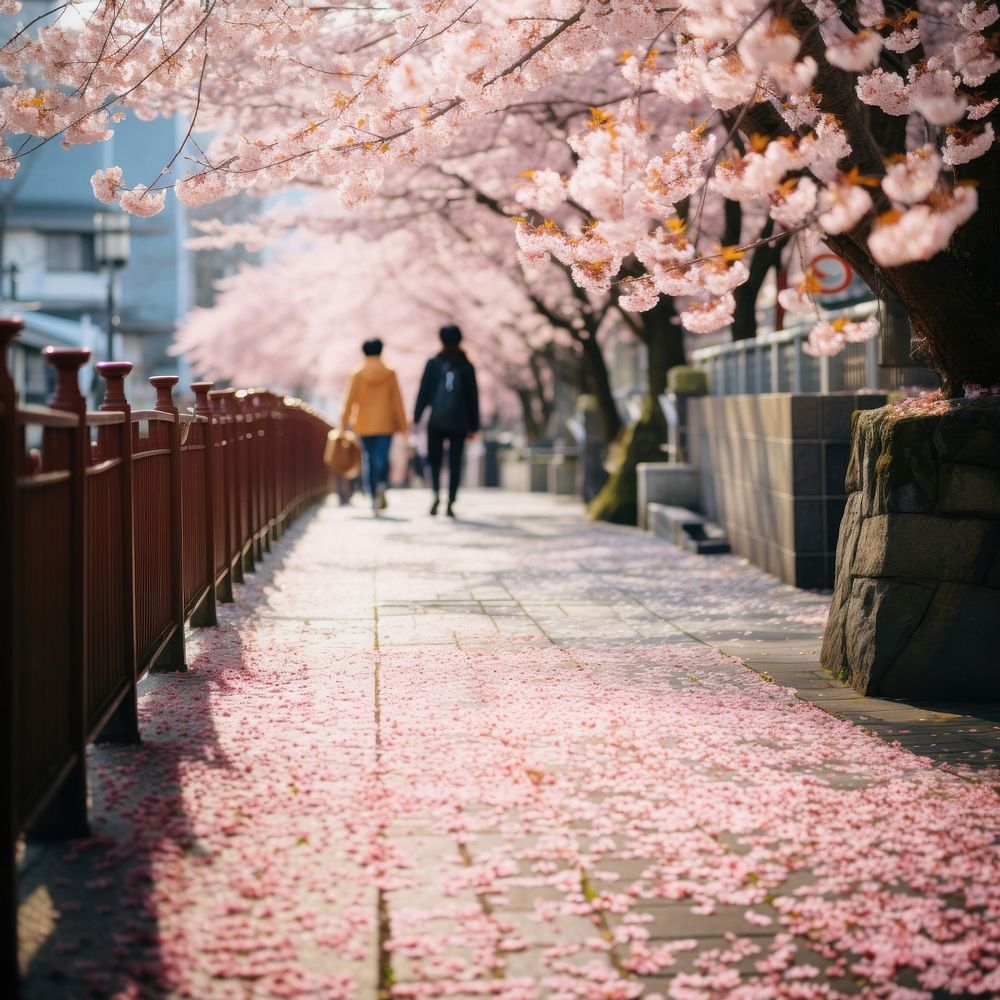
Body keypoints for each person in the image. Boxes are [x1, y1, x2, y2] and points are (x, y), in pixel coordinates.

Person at [413, 324, 480, 517]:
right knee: (455, 462)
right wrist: (474, 426)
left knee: (434, 460)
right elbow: (473, 397)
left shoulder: (434, 363)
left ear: (441, 339)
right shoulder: (467, 366)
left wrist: (417, 417)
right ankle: (450, 501)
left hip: (436, 422)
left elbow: (423, 392)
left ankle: (435, 495)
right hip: (460, 423)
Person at [340, 338, 408, 513]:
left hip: (363, 424)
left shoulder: (357, 373)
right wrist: (402, 424)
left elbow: (349, 400)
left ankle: (372, 495)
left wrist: (343, 422)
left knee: (368, 459)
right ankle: (382, 484)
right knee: (382, 456)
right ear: (381, 351)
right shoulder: (390, 372)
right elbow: (397, 400)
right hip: (386, 423)